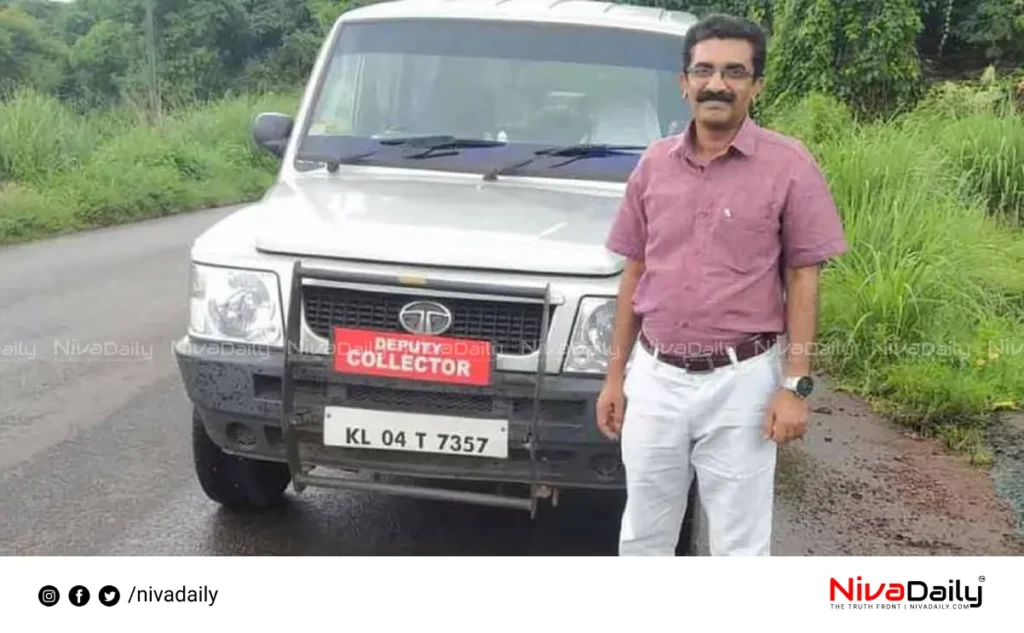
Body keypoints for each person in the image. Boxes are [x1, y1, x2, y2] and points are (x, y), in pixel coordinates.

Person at [598, 13, 848, 556]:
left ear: (756, 85)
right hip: (656, 378)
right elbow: (634, 271)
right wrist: (616, 376)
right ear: (683, 83)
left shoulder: (790, 166)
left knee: (738, 547)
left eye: (734, 72)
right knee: (643, 534)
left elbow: (804, 277)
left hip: (743, 384)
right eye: (704, 71)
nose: (717, 84)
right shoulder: (653, 165)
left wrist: (796, 386)